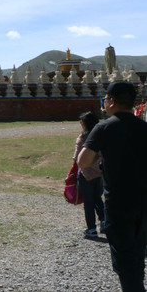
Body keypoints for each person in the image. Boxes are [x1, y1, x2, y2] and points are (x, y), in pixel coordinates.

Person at [78, 81, 147, 291]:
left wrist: (102, 160)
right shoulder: (144, 127)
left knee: (125, 260)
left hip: (119, 203)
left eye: (106, 99)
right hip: (144, 201)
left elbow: (83, 161)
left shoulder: (104, 127)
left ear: (111, 101)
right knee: (137, 253)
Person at [72, 111, 105, 237]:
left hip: (86, 174)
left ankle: (91, 229)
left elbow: (76, 158)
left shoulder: (83, 137)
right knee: (98, 198)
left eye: (82, 121)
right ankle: (104, 222)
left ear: (85, 123)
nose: (80, 123)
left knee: (89, 202)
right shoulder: (101, 135)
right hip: (100, 173)